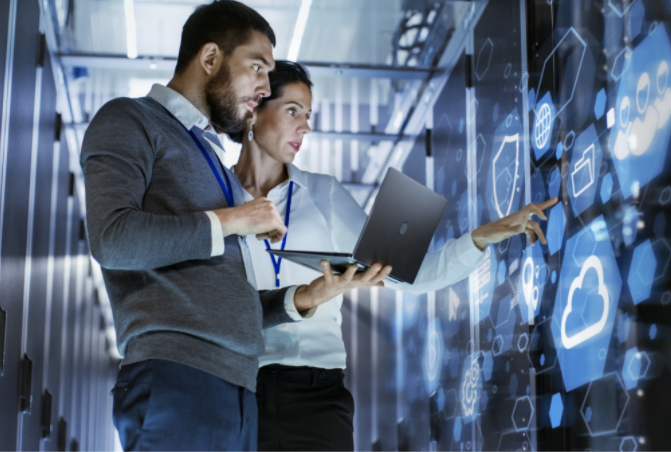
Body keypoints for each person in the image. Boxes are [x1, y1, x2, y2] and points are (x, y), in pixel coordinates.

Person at [80, 3, 387, 451]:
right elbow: (113, 238)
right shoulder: (130, 120)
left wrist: (307, 298)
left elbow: (228, 300)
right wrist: (235, 219)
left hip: (238, 390)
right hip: (177, 377)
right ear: (210, 59)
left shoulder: (214, 165)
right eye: (257, 67)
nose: (264, 87)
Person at [229, 60, 559, 451]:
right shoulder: (216, 199)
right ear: (254, 110)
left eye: (309, 115)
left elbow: (410, 275)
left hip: (317, 394)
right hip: (238, 389)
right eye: (292, 111)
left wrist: (482, 237)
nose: (305, 126)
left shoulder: (324, 194)